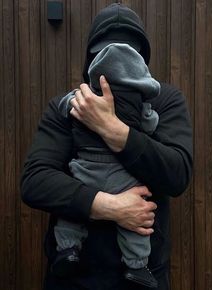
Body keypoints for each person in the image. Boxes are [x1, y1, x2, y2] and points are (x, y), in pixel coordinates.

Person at [21, 3, 193, 290]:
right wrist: (110, 206)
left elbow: (177, 174)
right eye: (105, 52)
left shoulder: (164, 101)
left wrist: (111, 128)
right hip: (72, 276)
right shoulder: (70, 105)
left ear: (142, 58)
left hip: (143, 278)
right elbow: (35, 181)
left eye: (128, 52)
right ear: (91, 60)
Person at [52, 42, 160, 289]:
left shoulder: (86, 97)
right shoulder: (139, 99)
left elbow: (64, 107)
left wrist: (71, 103)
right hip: (124, 175)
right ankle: (137, 266)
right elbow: (150, 123)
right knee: (137, 220)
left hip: (85, 168)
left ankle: (68, 249)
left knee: (70, 212)